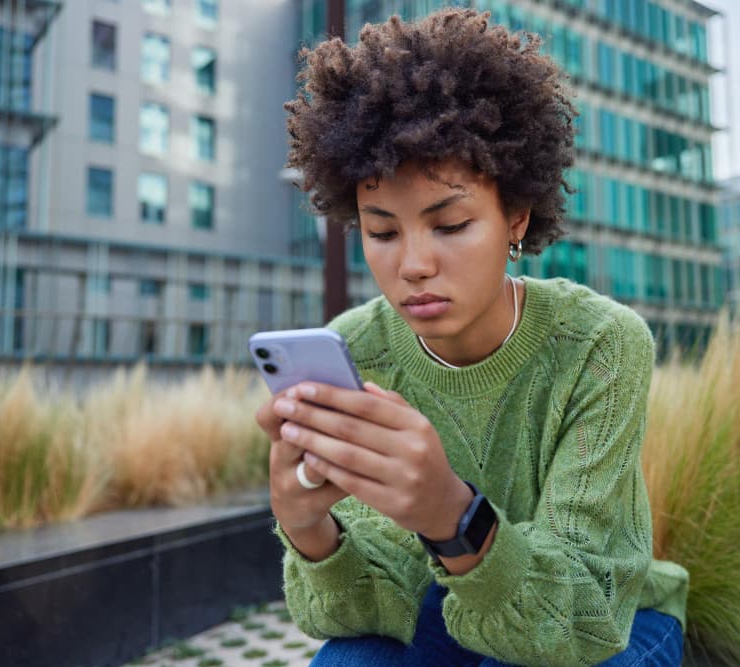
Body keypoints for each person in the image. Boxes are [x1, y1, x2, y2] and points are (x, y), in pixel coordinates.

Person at [255, 8, 689, 666]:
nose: (413, 264)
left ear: (516, 216)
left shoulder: (600, 345)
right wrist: (308, 528)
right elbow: (369, 610)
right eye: (382, 231)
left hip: (609, 617)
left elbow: (579, 620)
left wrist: (451, 514)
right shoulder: (359, 347)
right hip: (444, 602)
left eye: (451, 224)